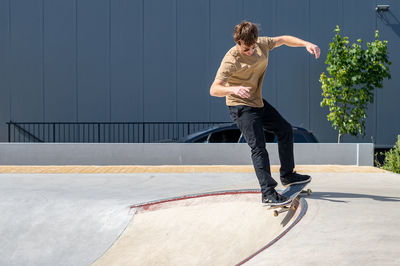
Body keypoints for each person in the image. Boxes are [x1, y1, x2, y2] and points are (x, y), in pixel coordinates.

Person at [210, 21, 320, 205]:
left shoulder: (261, 43)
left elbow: (284, 39)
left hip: (257, 102)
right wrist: (234, 89)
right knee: (259, 146)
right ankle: (268, 193)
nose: (251, 52)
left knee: (285, 130)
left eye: (252, 47)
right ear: (238, 42)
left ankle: (288, 175)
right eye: (246, 49)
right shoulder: (231, 58)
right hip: (240, 106)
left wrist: (306, 44)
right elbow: (214, 89)